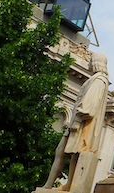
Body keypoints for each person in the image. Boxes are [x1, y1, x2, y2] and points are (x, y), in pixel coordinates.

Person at [42, 52, 109, 191]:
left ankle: (56, 185)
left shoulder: (99, 80)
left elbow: (89, 104)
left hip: (80, 123)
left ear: (96, 62)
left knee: (67, 153)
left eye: (91, 61)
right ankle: (64, 185)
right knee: (69, 154)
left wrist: (78, 120)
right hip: (77, 122)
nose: (89, 63)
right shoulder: (98, 79)